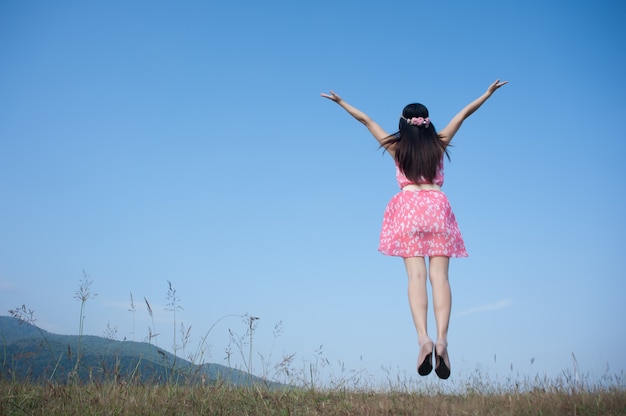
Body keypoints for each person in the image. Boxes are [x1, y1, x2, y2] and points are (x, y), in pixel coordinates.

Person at [321, 80, 507, 379]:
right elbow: (463, 115)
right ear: (427, 123)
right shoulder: (439, 143)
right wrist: (487, 94)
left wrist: (341, 103)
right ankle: (443, 340)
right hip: (436, 207)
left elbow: (366, 120)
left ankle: (423, 339)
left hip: (409, 209)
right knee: (441, 278)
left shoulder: (397, 147)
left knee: (416, 277)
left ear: (403, 124)